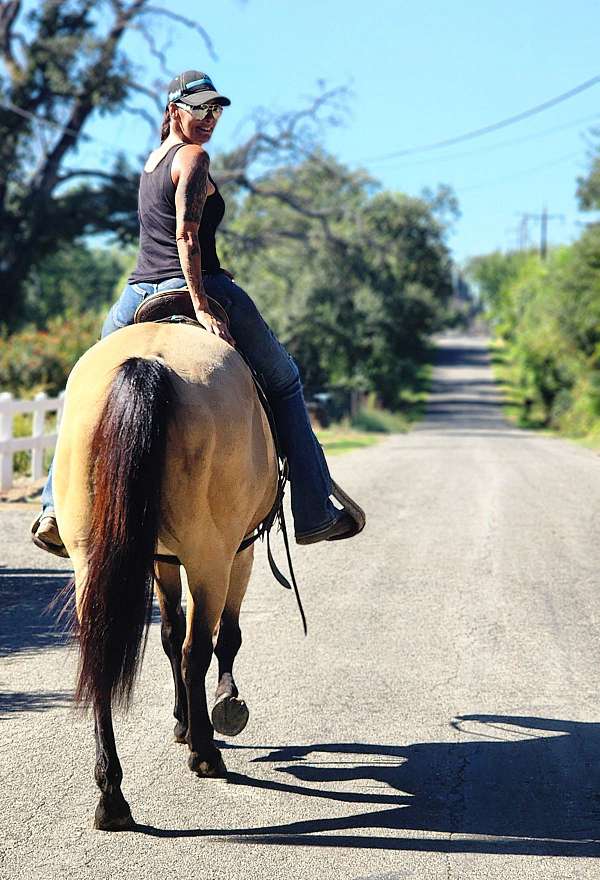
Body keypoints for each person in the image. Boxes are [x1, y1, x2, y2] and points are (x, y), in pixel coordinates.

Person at [32, 70, 365, 557]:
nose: (210, 119)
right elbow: (186, 237)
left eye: (217, 110)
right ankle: (313, 509)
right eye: (200, 108)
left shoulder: (151, 162)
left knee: (84, 385)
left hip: (134, 293)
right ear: (174, 110)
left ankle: (55, 509)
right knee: (286, 380)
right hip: (198, 283)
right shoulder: (194, 158)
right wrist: (202, 307)